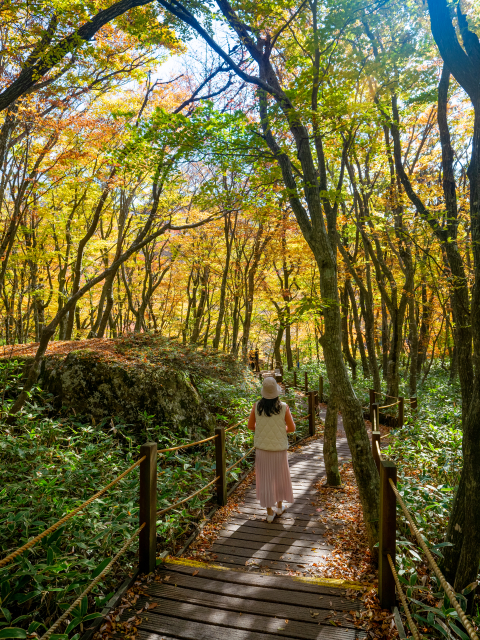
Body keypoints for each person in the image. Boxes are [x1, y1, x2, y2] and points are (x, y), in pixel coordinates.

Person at [247, 377, 296, 522]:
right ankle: (280, 507)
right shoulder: (284, 407)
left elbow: (250, 426)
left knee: (266, 480)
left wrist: (262, 430)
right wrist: (281, 431)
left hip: (262, 449)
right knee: (279, 477)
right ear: (276, 391)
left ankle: (269, 513)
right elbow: (292, 428)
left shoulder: (256, 406)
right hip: (279, 449)